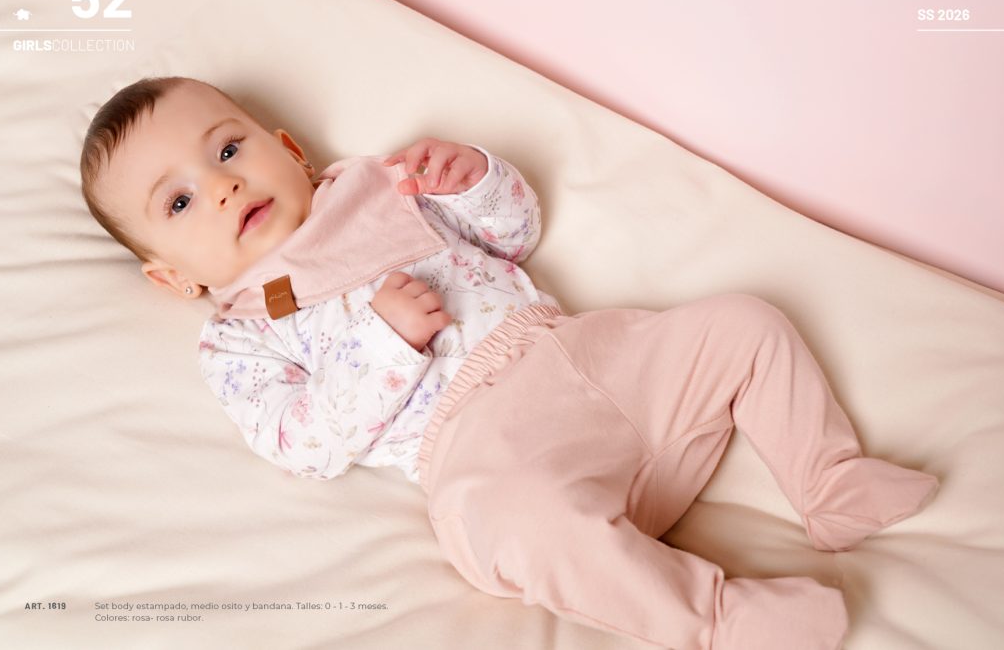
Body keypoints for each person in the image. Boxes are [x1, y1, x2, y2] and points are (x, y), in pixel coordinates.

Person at [79, 75, 939, 649]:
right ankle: (719, 619)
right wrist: (382, 345)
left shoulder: (378, 186)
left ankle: (827, 479)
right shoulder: (239, 336)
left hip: (590, 353)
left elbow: (513, 235)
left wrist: (475, 180)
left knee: (745, 323)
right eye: (180, 201)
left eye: (228, 150)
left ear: (289, 149)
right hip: (488, 449)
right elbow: (302, 445)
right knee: (501, 525)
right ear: (173, 277)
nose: (222, 185)